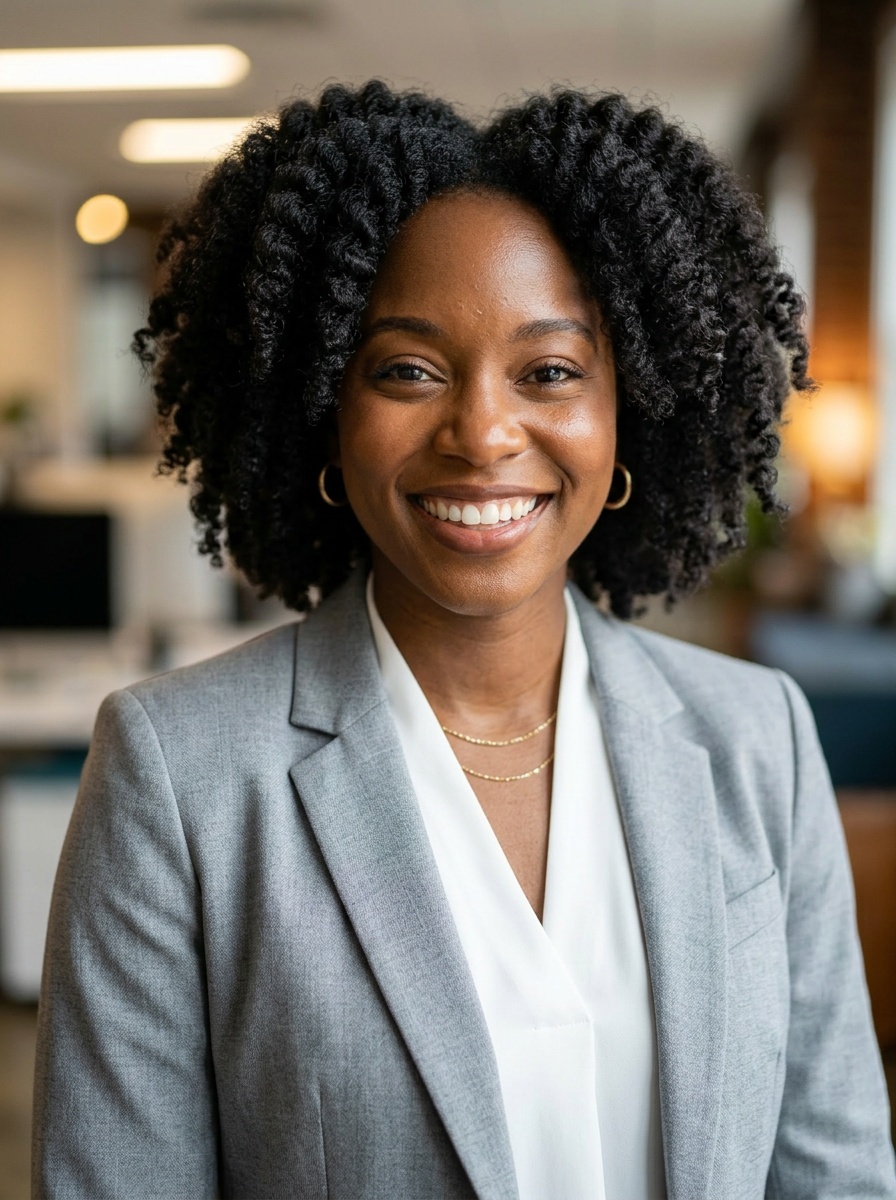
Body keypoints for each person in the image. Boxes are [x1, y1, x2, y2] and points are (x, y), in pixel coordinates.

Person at [32, 81, 895, 1199]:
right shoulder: (179, 775)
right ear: (322, 414)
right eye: (407, 370)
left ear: (625, 408)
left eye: (548, 371)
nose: (483, 432)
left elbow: (833, 1174)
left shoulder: (755, 741)